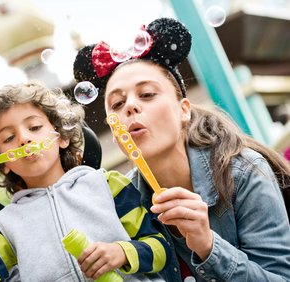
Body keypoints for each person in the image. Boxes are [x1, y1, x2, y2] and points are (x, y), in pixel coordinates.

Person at [73, 17, 290, 282]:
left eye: (147, 94)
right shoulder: (119, 201)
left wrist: (209, 246)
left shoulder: (242, 171)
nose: (130, 107)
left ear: (184, 110)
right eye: (117, 104)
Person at [0, 82, 172, 281]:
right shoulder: (7, 225)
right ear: (3, 163)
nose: (24, 139)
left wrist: (122, 252)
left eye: (35, 127)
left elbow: (161, 249)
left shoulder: (107, 185)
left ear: (62, 137)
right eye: (9, 138)